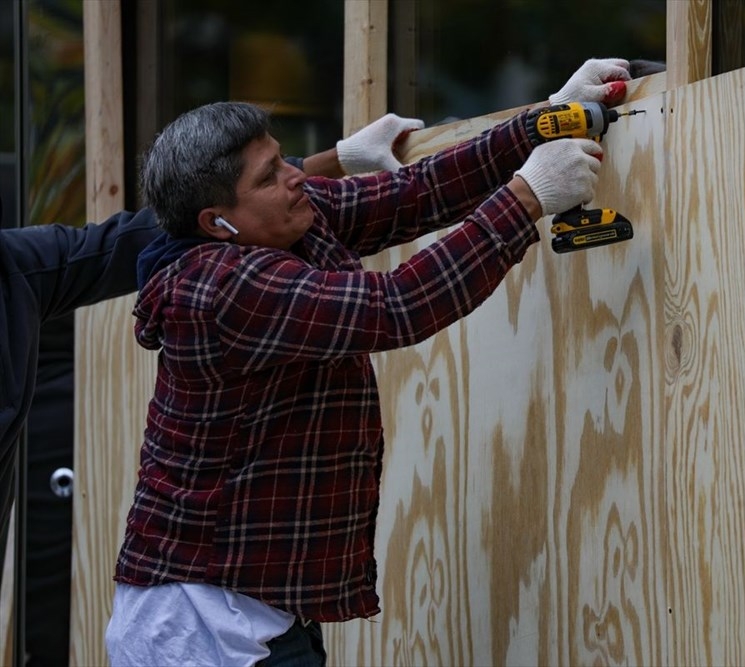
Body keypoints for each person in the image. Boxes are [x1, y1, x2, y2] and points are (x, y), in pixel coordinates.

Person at [104, 57, 632, 666]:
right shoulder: (219, 289)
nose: (296, 175)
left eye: (281, 157)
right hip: (197, 630)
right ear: (214, 223)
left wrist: (540, 125)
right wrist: (526, 197)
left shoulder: (281, 224)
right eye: (270, 175)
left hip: (258, 609)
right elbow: (395, 307)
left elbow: (413, 194)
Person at [0, 111, 424, 665]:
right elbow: (393, 308)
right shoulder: (219, 296)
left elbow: (149, 232)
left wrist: (327, 163)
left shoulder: (12, 268)